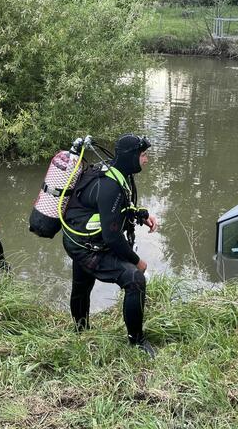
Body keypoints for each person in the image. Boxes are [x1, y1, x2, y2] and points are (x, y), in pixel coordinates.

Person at [62, 134, 158, 356]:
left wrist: (142, 215)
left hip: (81, 240)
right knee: (134, 279)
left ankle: (80, 329)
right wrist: (138, 262)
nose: (146, 160)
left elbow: (117, 209)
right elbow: (113, 238)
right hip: (86, 245)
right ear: (131, 157)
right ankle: (137, 342)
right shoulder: (109, 187)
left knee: (82, 283)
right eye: (143, 155)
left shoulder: (114, 172)